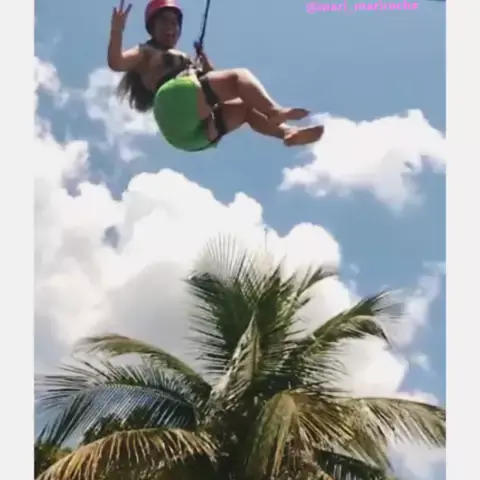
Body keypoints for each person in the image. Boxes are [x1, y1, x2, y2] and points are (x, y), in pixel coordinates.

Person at [107, 0, 325, 152]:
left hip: (192, 137)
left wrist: (204, 62)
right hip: (171, 103)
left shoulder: (185, 63)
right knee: (240, 76)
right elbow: (116, 63)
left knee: (246, 106)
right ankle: (274, 111)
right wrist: (117, 30)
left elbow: (215, 87)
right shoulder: (146, 51)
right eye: (164, 21)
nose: (171, 27)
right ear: (152, 27)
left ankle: (287, 133)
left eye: (175, 23)